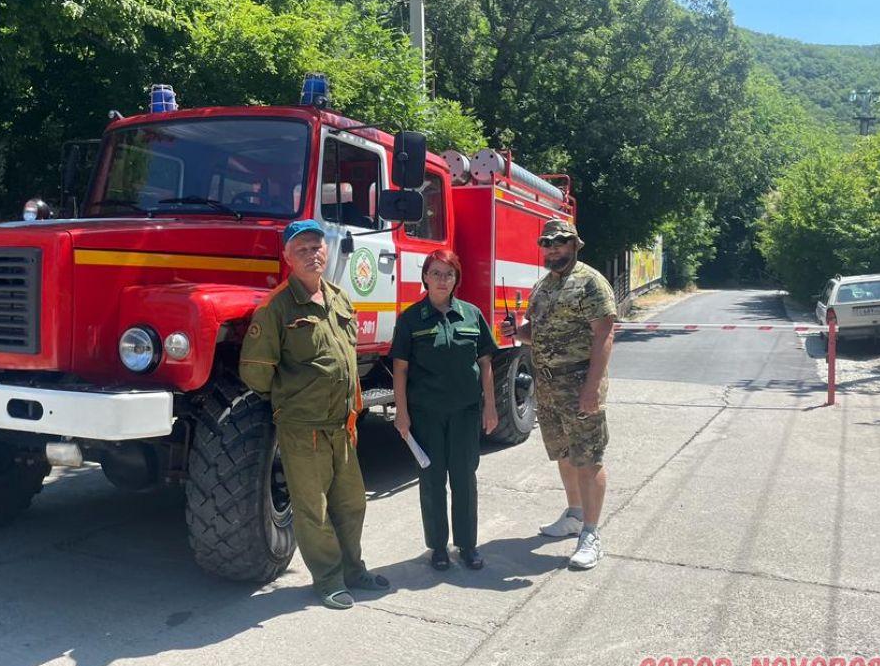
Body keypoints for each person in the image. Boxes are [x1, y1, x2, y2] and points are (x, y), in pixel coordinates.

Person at [239, 219, 389, 609]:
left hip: (343, 425)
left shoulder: (339, 298)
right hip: (302, 427)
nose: (312, 253)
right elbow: (256, 371)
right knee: (314, 510)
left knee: (353, 502)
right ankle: (328, 579)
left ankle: (355, 569)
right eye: (301, 248)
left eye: (317, 247)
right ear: (287, 257)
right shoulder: (276, 308)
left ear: (327, 251)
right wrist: (294, 399)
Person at [502, 218, 616, 570]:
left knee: (588, 457)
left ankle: (591, 534)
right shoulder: (542, 287)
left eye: (560, 242)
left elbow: (605, 336)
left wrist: (592, 388)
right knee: (564, 454)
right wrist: (517, 332)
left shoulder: (591, 282)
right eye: (548, 243)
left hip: (580, 384)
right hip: (548, 387)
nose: (553, 248)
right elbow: (536, 335)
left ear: (574, 245)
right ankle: (574, 514)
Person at [390, 250, 499, 571]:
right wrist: (401, 412)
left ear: (456, 279)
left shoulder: (471, 315)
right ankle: (438, 547)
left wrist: (490, 407)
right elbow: (400, 369)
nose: (442, 280)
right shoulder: (410, 319)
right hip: (426, 414)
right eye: (435, 273)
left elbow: (485, 364)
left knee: (465, 477)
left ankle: (467, 545)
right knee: (432, 478)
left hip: (465, 412)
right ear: (424, 277)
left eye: (448, 274)